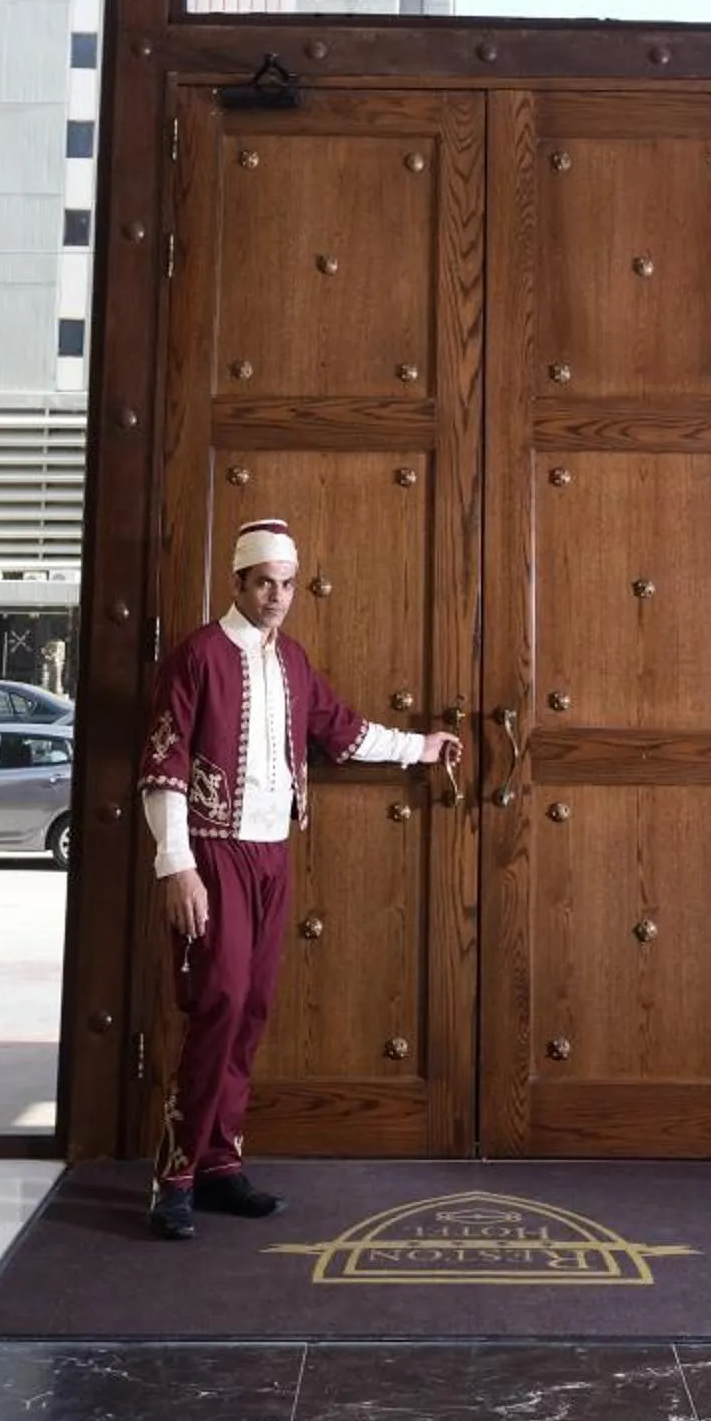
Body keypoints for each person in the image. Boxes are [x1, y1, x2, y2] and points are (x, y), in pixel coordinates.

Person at [139, 516, 461, 1240]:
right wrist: (177, 865)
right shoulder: (196, 657)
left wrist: (421, 746)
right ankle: (175, 1174)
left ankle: (222, 1165)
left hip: (271, 854)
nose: (277, 597)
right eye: (264, 584)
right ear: (238, 582)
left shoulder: (295, 663)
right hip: (213, 853)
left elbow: (343, 731)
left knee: (251, 1009)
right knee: (215, 1003)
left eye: (286, 585)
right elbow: (162, 768)